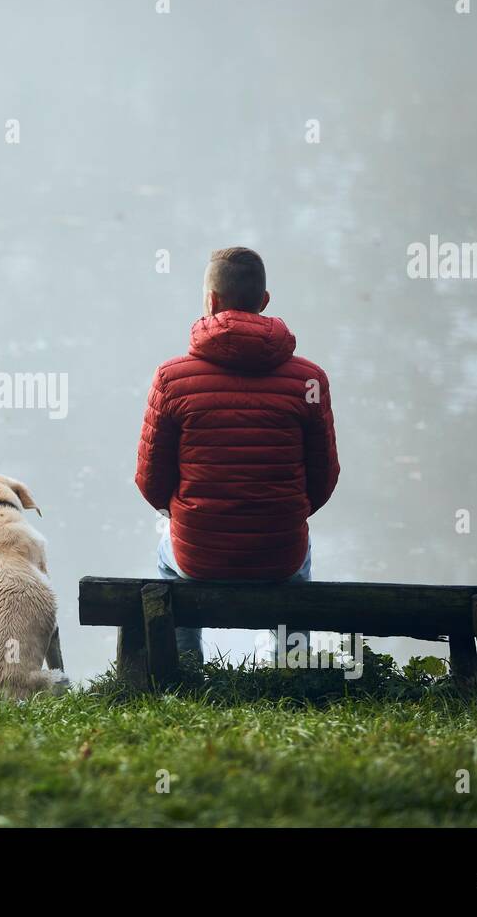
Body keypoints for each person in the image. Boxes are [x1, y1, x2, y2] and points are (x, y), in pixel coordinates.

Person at [134, 247, 340, 662]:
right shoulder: (309, 380)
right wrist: (283, 511)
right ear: (264, 302)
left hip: (199, 552)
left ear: (210, 302)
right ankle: (289, 668)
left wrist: (183, 513)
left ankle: (187, 668)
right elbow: (323, 479)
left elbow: (151, 482)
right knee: (300, 555)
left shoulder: (171, 379)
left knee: (166, 551)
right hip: (279, 553)